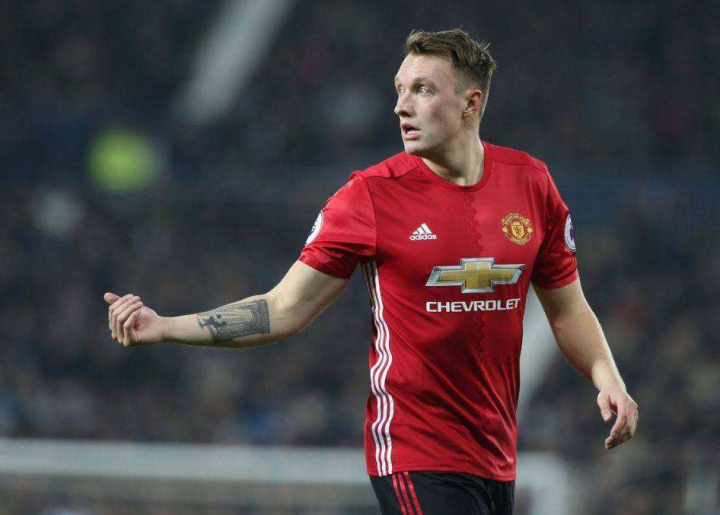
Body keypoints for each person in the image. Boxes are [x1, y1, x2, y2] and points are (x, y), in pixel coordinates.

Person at [105, 28, 638, 515]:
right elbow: (283, 308)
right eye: (400, 90)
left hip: (496, 456)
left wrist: (607, 377)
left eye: (422, 90)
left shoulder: (531, 184)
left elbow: (567, 308)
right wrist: (166, 326)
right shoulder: (369, 196)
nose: (401, 106)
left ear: (471, 103)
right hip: (413, 450)